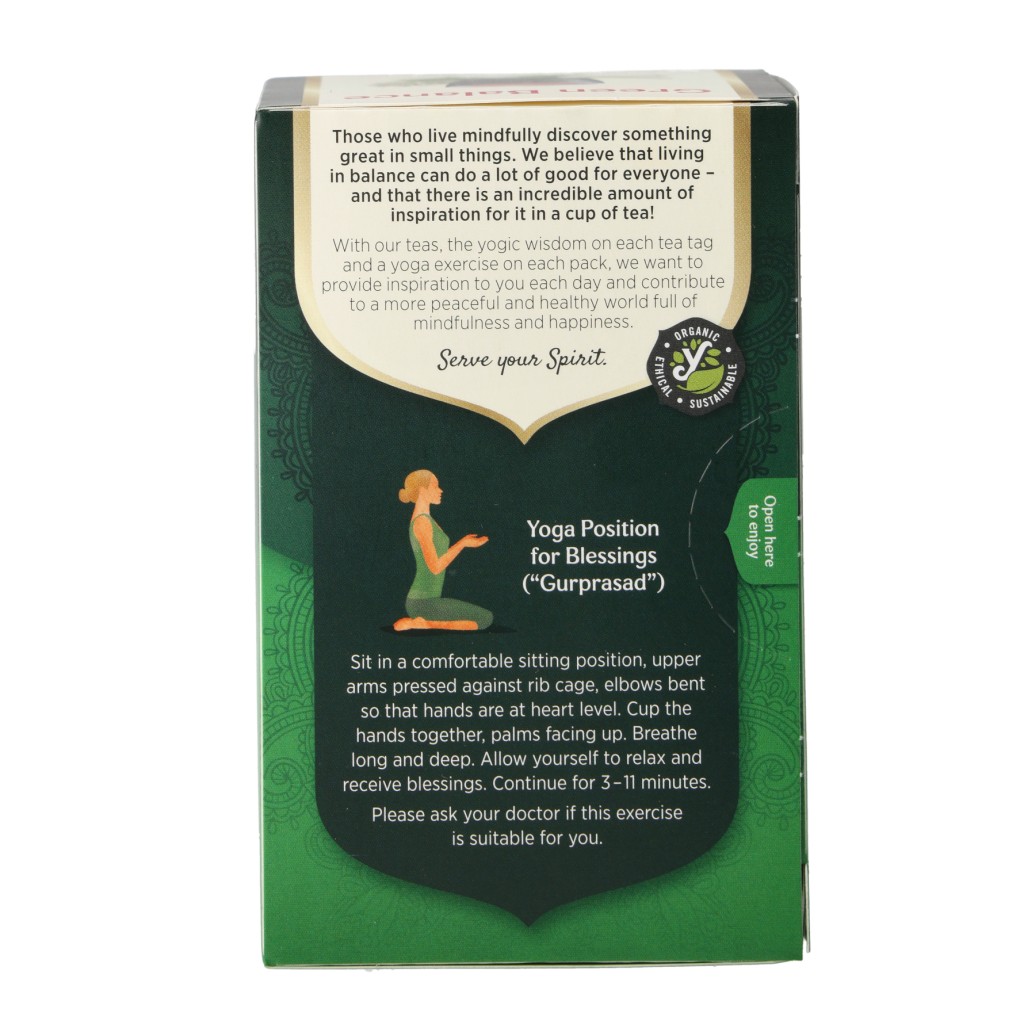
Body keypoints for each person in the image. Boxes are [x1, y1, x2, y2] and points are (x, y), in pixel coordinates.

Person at [393, 470, 493, 631]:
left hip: (428, 600)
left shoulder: (426, 519)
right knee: (484, 619)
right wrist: (462, 544)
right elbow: (435, 567)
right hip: (422, 603)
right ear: (422, 490)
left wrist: (463, 543)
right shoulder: (422, 523)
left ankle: (423, 623)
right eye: (435, 486)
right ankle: (422, 624)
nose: (440, 490)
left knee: (485, 618)